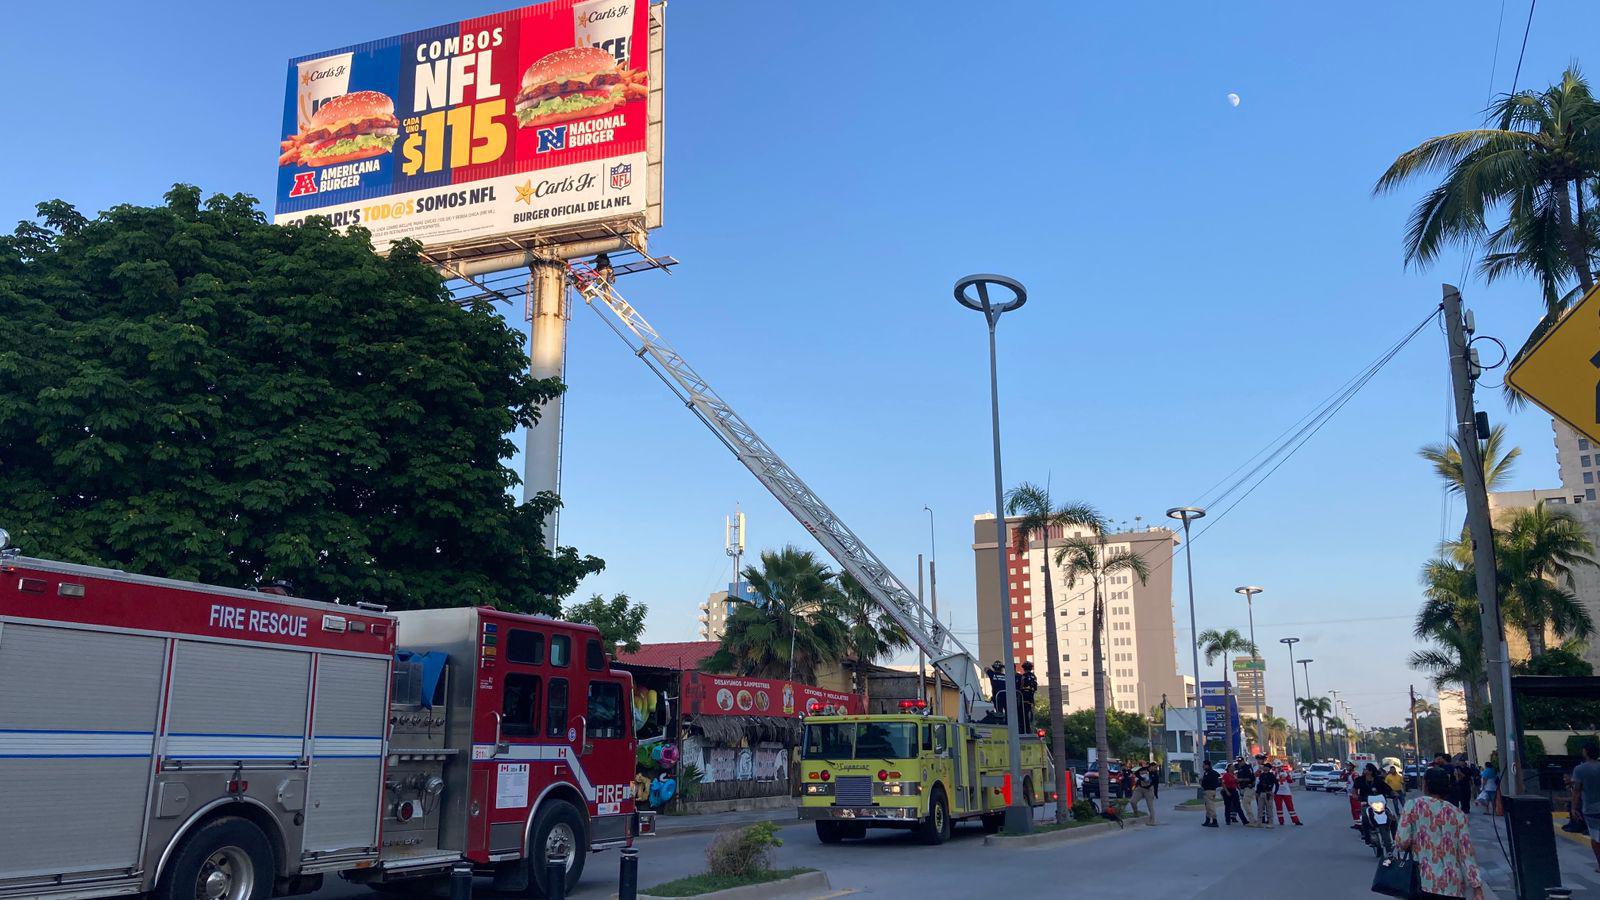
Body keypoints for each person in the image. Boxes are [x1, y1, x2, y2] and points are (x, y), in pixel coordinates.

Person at [1396, 766, 1484, 900]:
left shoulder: (1412, 805)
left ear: (1425, 784)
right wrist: (1477, 888)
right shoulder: (1457, 813)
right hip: (1452, 885)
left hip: (1422, 881)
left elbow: (1402, 842)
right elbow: (1466, 853)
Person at [1572, 743, 1600, 872]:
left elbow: (1577, 790)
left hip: (1590, 808)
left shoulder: (1580, 769)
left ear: (1585, 752)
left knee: (1595, 837)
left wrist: (1574, 807)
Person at [1355, 763, 1397, 846]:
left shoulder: (1379, 780)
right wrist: (1356, 796)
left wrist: (1393, 794)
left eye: (1366, 769)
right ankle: (1367, 839)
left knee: (1393, 818)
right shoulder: (1359, 780)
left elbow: (1388, 789)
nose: (1364, 770)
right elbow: (1354, 790)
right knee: (1365, 818)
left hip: (1381, 805)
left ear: (1370, 771)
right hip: (1367, 804)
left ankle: (1395, 838)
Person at [1273, 761, 1303, 825]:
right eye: (1276, 767)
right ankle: (1281, 821)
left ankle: (1295, 820)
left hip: (1286, 792)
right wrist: (1276, 774)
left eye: (1279, 767)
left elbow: (1291, 781)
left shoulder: (1286, 772)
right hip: (1277, 792)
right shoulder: (1273, 773)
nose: (1278, 768)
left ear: (1281, 767)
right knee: (1278, 808)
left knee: (1290, 807)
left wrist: (1286, 776)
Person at [1254, 757, 1277, 827]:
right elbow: (1259, 784)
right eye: (1264, 767)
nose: (1265, 768)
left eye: (1266, 767)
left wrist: (1274, 792)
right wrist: (1257, 792)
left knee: (1269, 809)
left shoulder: (1271, 775)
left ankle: (1270, 823)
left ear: (1269, 768)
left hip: (1268, 793)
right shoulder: (1261, 775)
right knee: (1260, 809)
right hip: (1261, 793)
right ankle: (1259, 822)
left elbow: (1276, 784)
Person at [1235, 758, 1259, 825]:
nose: (1239, 763)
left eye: (1240, 761)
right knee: (1247, 804)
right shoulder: (1240, 769)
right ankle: (1252, 820)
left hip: (1249, 787)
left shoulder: (1248, 768)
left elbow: (1251, 778)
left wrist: (1241, 780)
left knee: (1245, 803)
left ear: (1243, 761)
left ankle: (1252, 821)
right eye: (1238, 761)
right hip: (1243, 788)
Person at [1017, 661, 1038, 732]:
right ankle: (1030, 727)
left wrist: (1020, 690)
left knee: (1022, 712)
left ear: (1024, 668)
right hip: (1031, 696)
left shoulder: (1023, 676)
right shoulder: (1034, 676)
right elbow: (1035, 688)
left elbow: (1022, 685)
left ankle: (1025, 728)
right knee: (1029, 711)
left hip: (1024, 696)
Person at [1200, 762, 1221, 827]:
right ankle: (1207, 820)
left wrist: (1202, 782)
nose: (1203, 767)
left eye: (1204, 765)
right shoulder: (1208, 772)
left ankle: (1215, 821)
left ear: (1207, 766)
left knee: (1211, 807)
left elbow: (1207, 781)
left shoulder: (1210, 773)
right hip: (1208, 791)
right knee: (1208, 806)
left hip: (1209, 791)